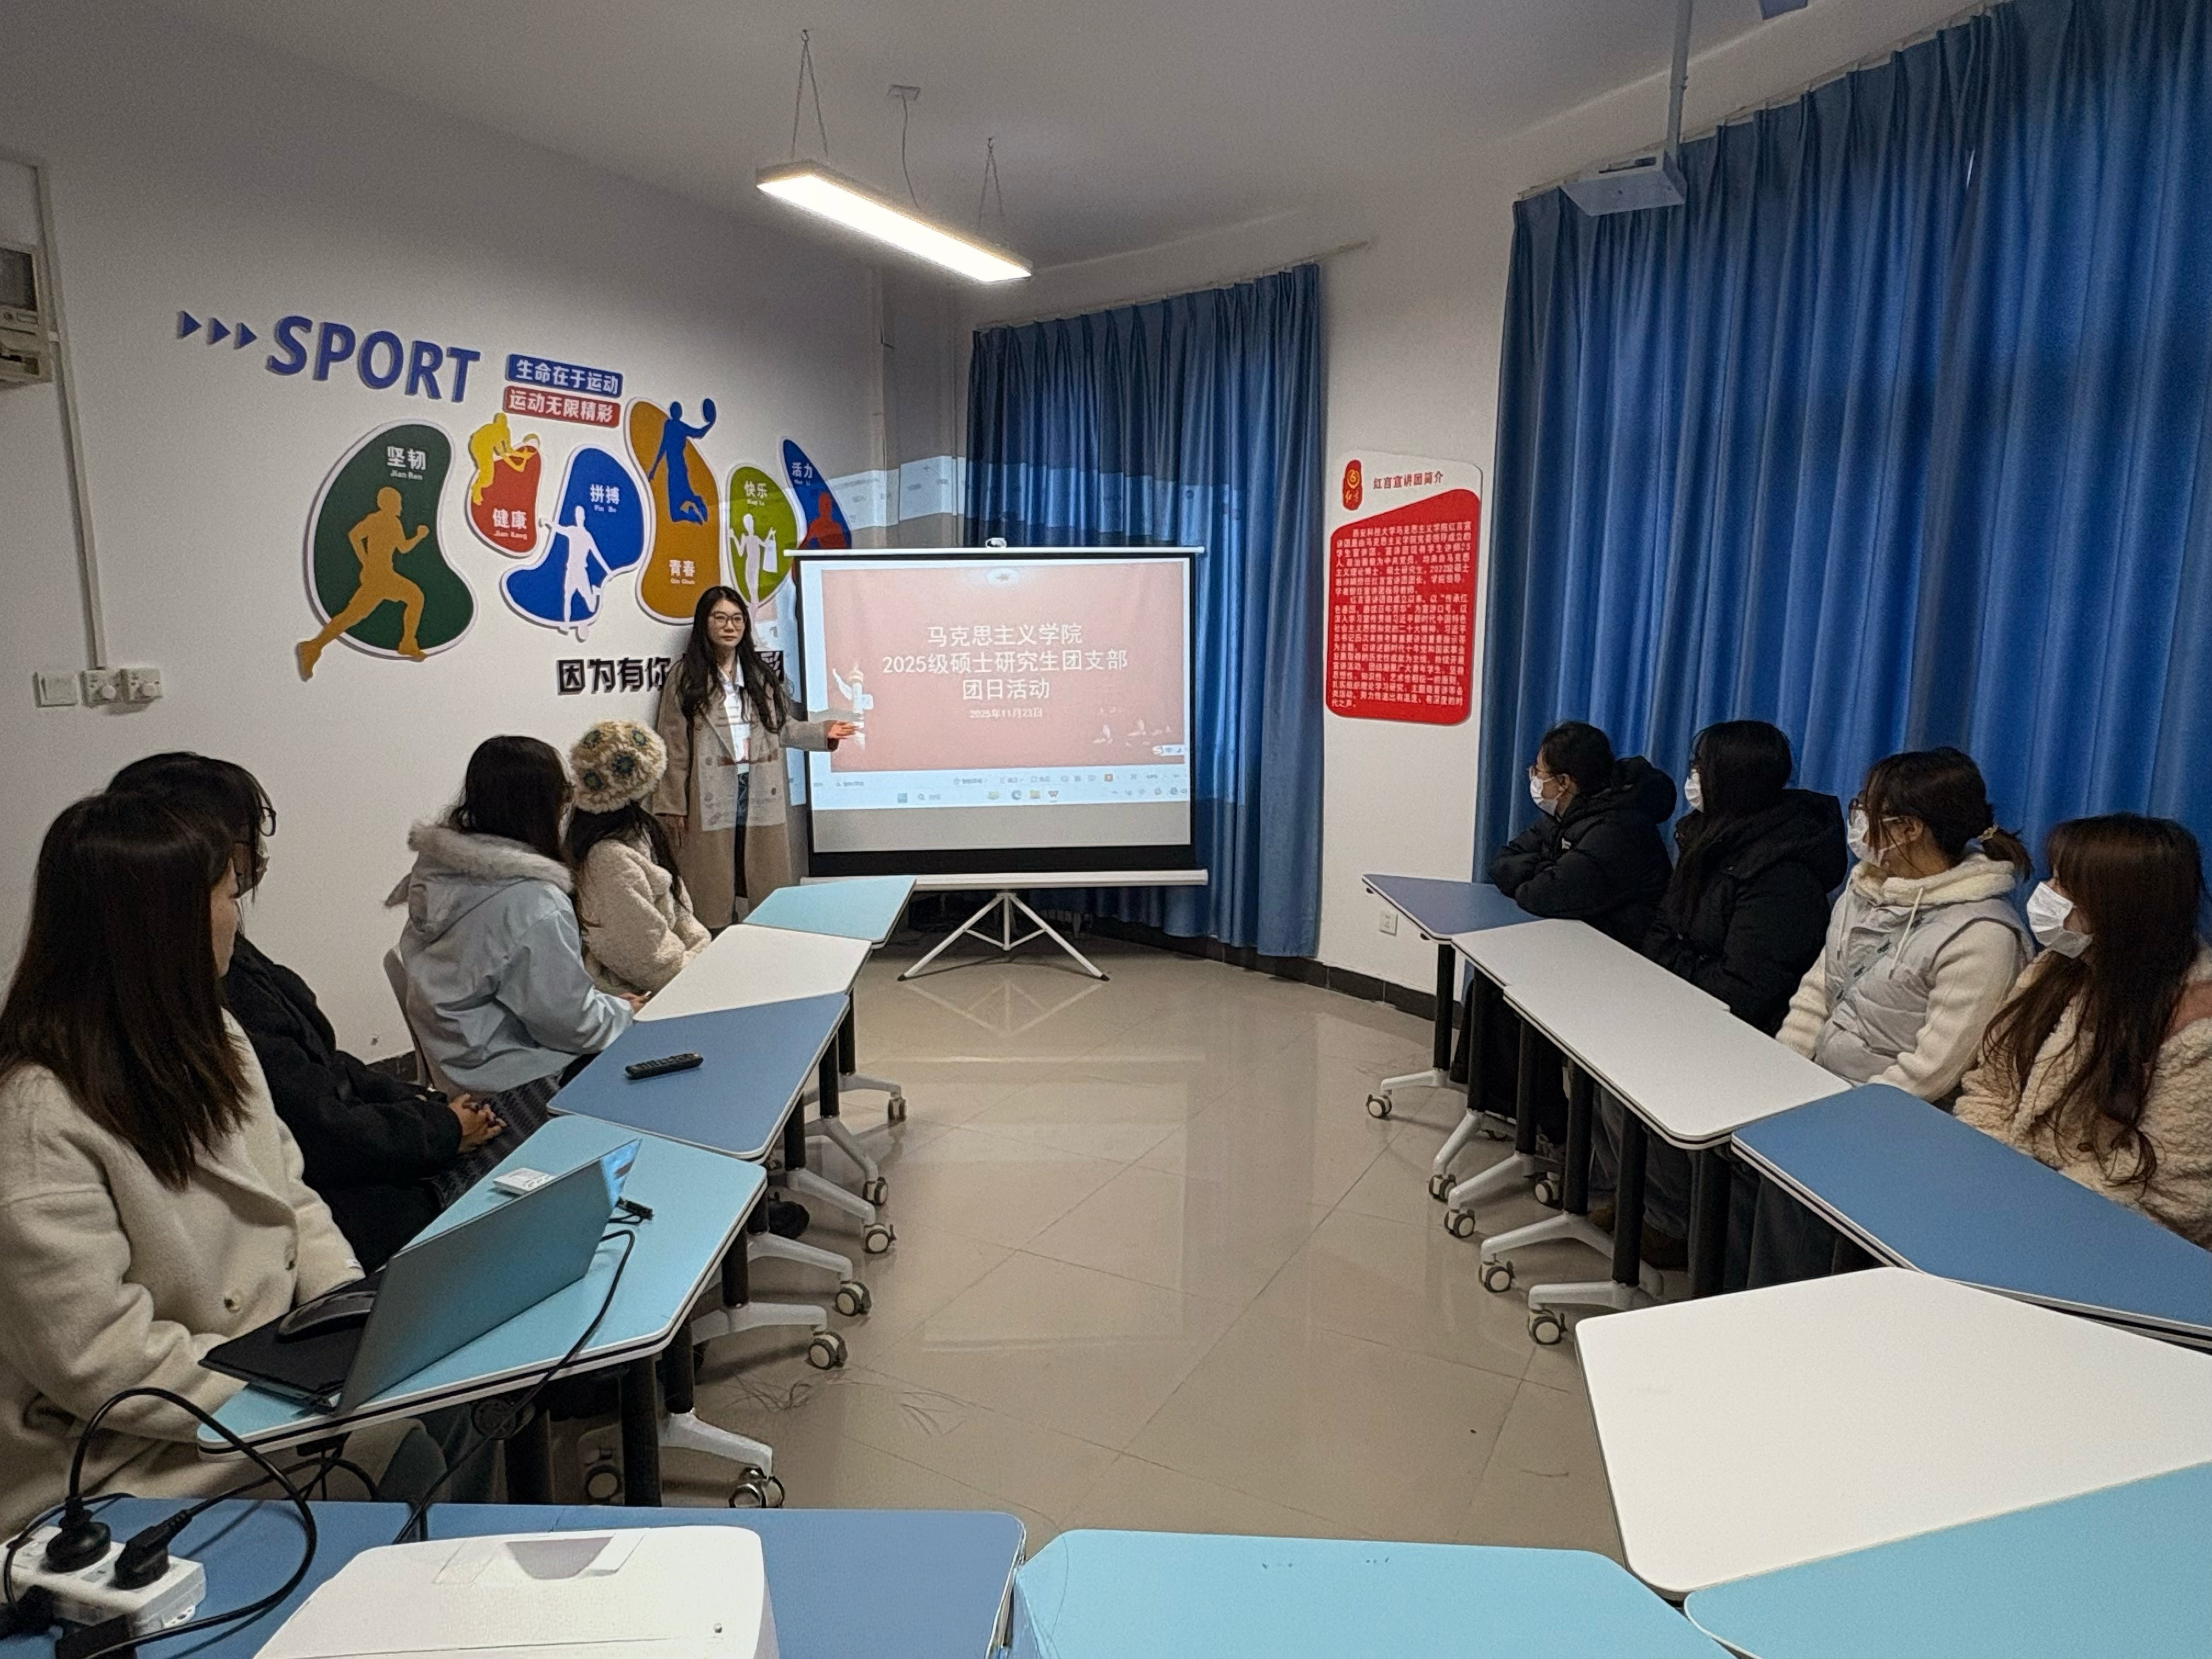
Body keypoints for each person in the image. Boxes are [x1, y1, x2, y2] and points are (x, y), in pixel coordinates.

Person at [0, 794, 364, 1530]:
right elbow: (100, 1357)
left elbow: (290, 1197)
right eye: (230, 895)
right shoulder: (37, 1117)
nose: (238, 916)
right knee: (406, 1449)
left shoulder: (215, 1034)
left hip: (251, 1390)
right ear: (168, 925)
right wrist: (291, 1389)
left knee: (445, 1413)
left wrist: (353, 1316)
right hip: (125, 1459)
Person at [108, 753, 504, 1273]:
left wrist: (425, 1107)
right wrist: (440, 1129)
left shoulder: (224, 966)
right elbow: (321, 1135)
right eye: (245, 840)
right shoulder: (215, 1006)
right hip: (347, 1193)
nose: (255, 860)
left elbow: (322, 1071)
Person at [1752, 747, 2033, 1282]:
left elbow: (1931, 1071)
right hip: (1823, 1095)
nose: (1857, 818)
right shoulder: (1865, 889)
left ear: (1908, 829)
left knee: (1794, 1191)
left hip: (1894, 1125)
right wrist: (1782, 1073)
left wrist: (1826, 1118)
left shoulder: (1983, 936)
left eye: (1867, 807)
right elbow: (1821, 988)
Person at [1596, 720, 1848, 1270]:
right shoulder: (1702, 839)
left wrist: (1675, 971)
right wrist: (1676, 970)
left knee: (1642, 1078)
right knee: (1598, 1060)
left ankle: (1672, 1222)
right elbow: (1660, 934)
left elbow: (1746, 987)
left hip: (1746, 1034)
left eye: (1700, 767)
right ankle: (1641, 1197)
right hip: (1687, 1008)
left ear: (1731, 778)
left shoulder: (1783, 871)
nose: (1692, 778)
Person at [1957, 815, 2212, 1248]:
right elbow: (1990, 1089)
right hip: (2009, 1197)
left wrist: (2023, 1210)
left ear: (2121, 908)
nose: (2046, 894)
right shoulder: (2058, 968)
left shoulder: (2197, 1027)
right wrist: (1988, 1178)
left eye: (2064, 886)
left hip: (2110, 1237)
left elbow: (2169, 1192)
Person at [391, 736, 637, 1129]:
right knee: (649, 1059)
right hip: (516, 1077)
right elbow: (570, 1025)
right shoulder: (532, 902)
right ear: (545, 806)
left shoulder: (437, 870)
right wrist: (623, 1012)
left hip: (456, 1060)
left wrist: (604, 1006)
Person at [653, 586, 856, 928]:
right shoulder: (685, 677)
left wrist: (822, 733)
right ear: (704, 623)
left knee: (762, 874)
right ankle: (715, 939)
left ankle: (764, 937)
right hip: (710, 788)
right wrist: (673, 803)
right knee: (713, 878)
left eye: (737, 619)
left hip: (759, 785)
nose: (729, 627)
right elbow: (674, 746)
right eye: (720, 618)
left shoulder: (759, 674)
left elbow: (783, 728)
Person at [1489, 721, 1675, 947]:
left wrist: (1541, 871)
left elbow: (1540, 895)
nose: (1533, 778)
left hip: (1619, 954)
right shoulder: (1561, 815)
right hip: (1572, 941)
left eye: (1538, 771)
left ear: (1564, 782)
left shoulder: (1619, 829)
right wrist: (1547, 869)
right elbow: (1501, 862)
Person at [567, 719, 710, 996]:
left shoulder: (639, 831)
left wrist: (703, 951)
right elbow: (651, 962)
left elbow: (680, 912)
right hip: (643, 996)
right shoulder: (607, 861)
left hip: (679, 974)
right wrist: (702, 970)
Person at [296, 486, 431, 677]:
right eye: (398, 503)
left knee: (354, 615)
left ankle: (315, 646)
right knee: (414, 597)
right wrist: (419, 535)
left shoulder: (381, 520)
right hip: (381, 576)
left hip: (380, 575)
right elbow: (402, 547)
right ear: (389, 504)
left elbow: (356, 536)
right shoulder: (388, 522)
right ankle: (407, 642)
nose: (400, 507)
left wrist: (366, 561)